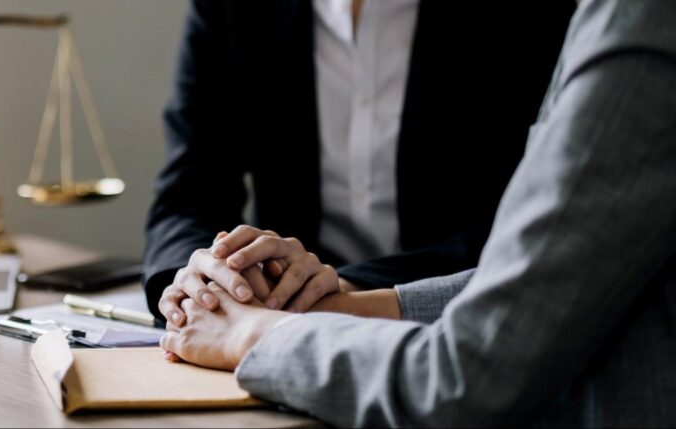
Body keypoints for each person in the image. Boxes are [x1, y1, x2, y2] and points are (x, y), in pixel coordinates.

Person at [159, 0, 676, 426]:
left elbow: (470, 371)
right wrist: (213, 283)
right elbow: (549, 268)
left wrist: (256, 332)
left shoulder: (637, 27)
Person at [143, 0, 575, 322]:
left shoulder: (535, 14)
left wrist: (347, 287)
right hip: (284, 324)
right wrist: (199, 276)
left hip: (460, 326)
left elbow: (528, 222)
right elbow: (187, 195)